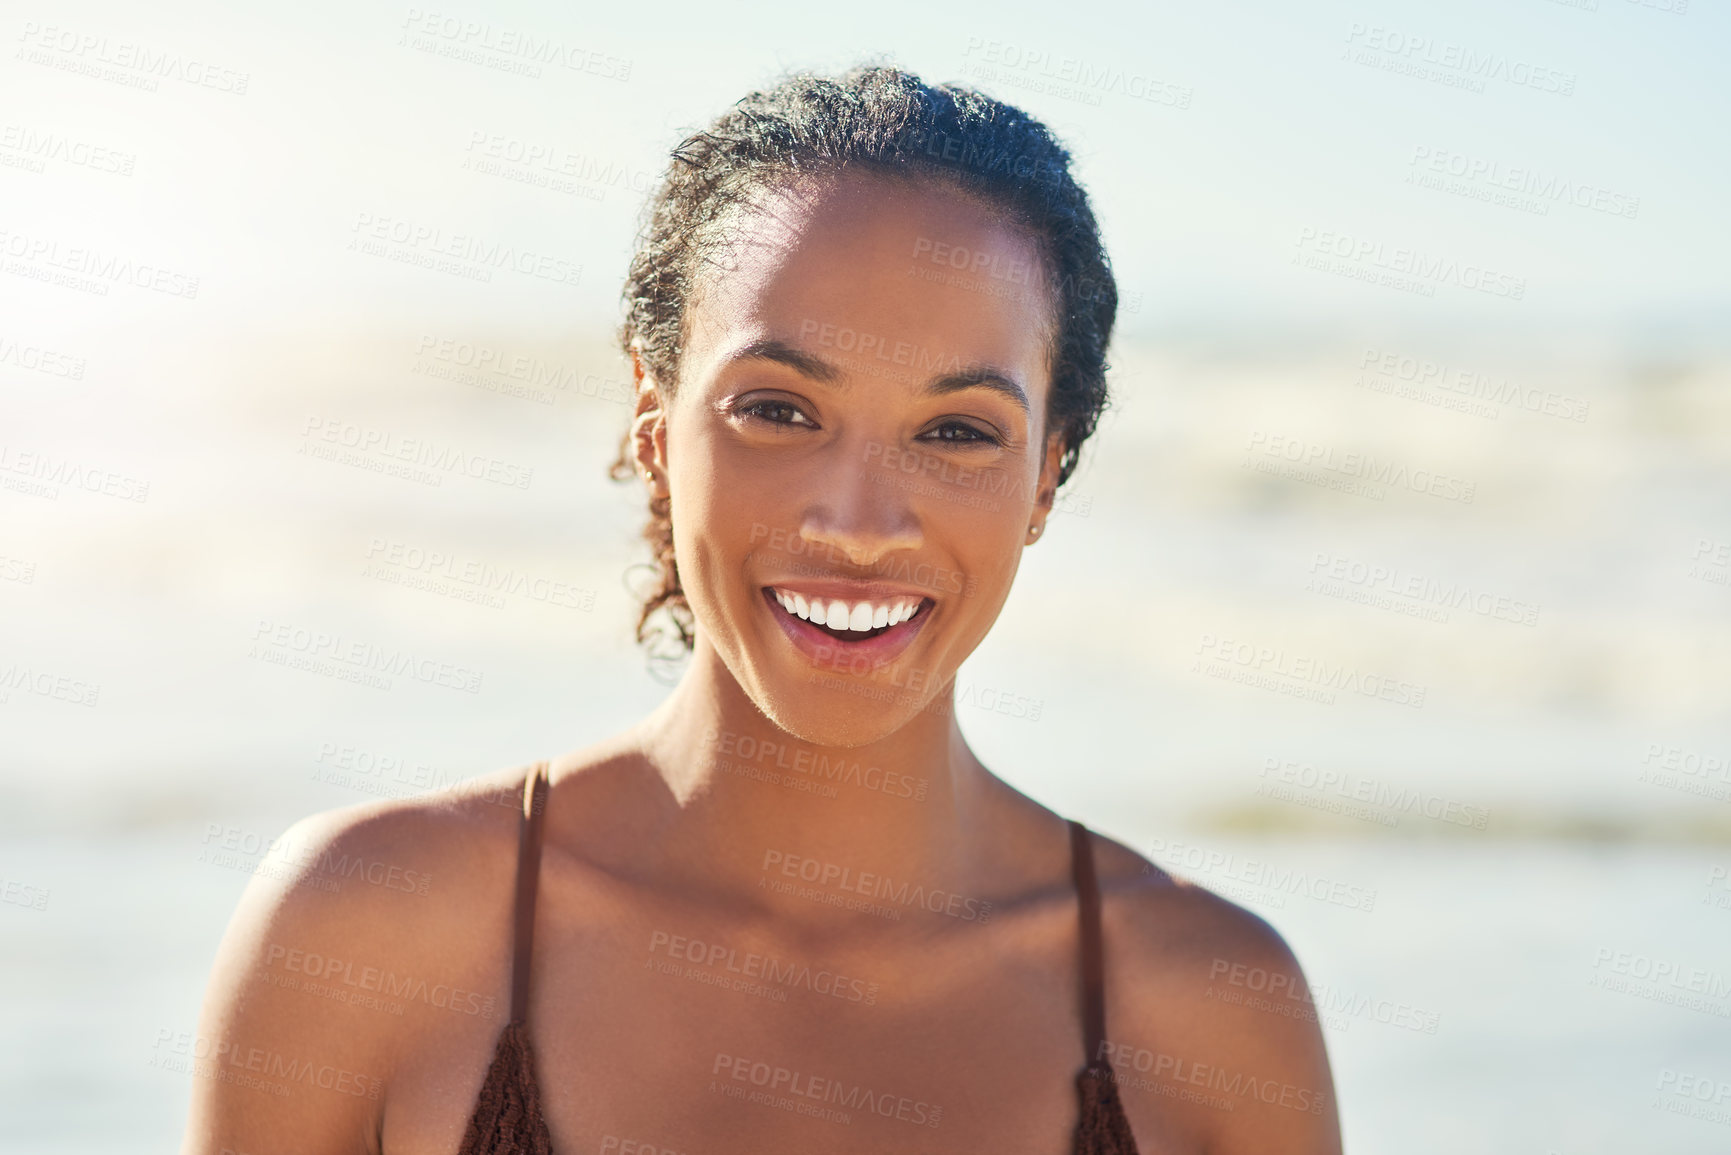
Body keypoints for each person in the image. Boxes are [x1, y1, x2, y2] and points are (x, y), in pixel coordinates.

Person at [183, 64, 1340, 1154]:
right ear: (654, 417)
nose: (859, 523)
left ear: (1046, 471)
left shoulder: (1210, 1016)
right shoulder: (365, 934)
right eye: (779, 410)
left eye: (957, 432)